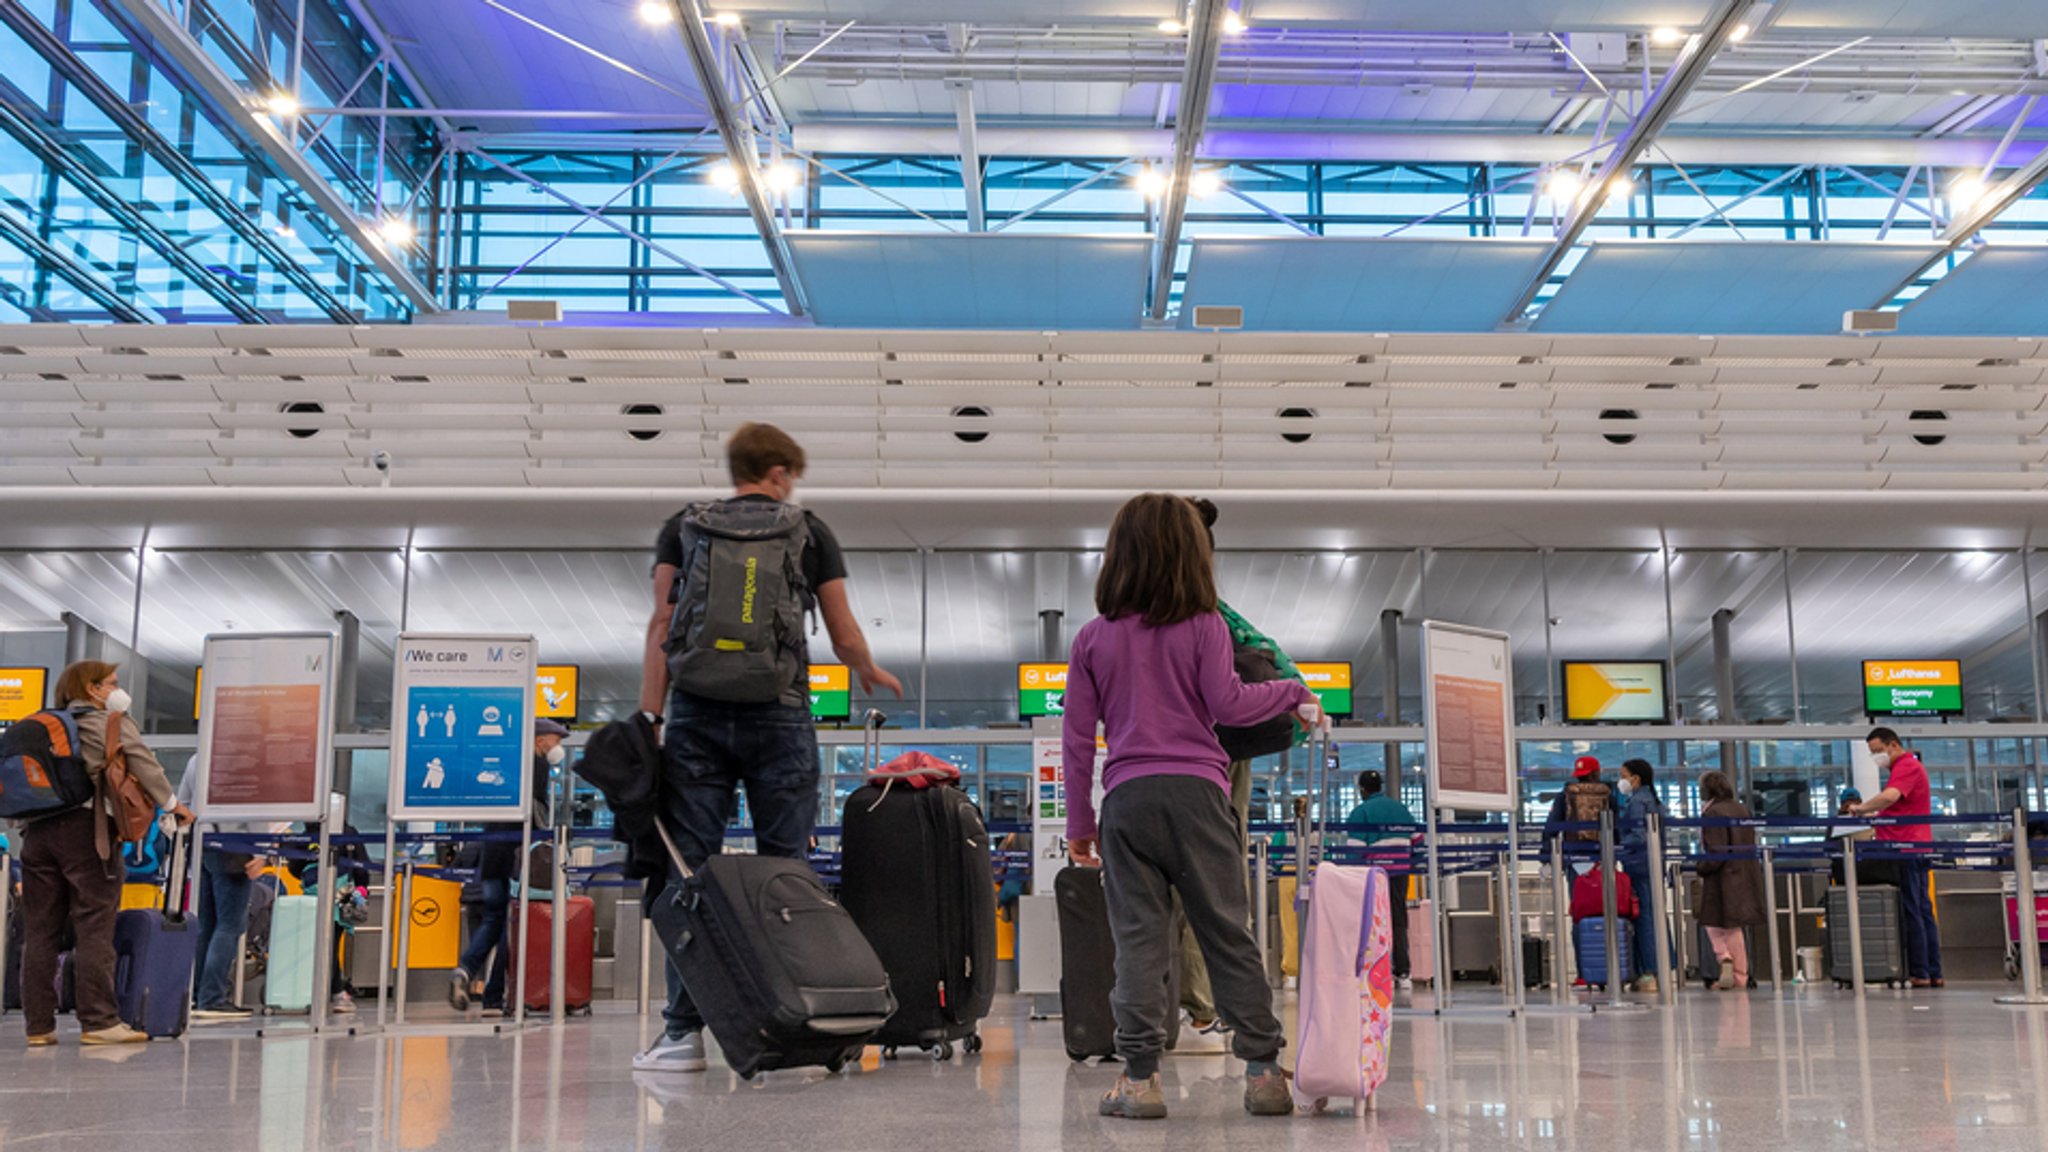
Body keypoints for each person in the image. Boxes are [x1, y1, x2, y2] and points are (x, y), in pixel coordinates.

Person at [634, 422, 902, 1074]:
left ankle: (681, 1036)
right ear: (779, 471)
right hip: (780, 714)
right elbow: (840, 629)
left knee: (690, 876)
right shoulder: (809, 530)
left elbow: (664, 623)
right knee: (788, 871)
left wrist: (650, 715)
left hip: (696, 714)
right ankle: (799, 1023)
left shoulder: (683, 527)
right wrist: (866, 667)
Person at [1062, 493, 1320, 1121]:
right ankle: (1262, 1073)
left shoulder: (1093, 638)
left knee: (1139, 942)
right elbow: (1230, 707)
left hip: (1127, 802)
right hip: (1200, 798)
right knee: (1227, 933)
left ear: (1116, 556)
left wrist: (1080, 824)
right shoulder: (1205, 626)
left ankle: (1141, 1080)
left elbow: (1076, 738)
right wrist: (1292, 690)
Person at [19, 661, 190, 1047]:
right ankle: (99, 1022)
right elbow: (145, 765)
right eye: (112, 682)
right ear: (92, 688)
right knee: (95, 925)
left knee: (41, 932)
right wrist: (173, 803)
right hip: (86, 833)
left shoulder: (38, 724)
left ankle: (39, 1027)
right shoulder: (106, 721)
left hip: (36, 835)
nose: (118, 689)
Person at [1175, 497, 1297, 1035]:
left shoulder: (1133, 614)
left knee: (1165, 894)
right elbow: (1268, 659)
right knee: (1217, 887)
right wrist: (1295, 694)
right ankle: (1217, 1013)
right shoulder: (1213, 613)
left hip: (1163, 766)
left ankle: (1181, 1009)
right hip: (1217, 761)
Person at [451, 717, 566, 1014]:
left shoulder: (505, 765)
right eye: (557, 740)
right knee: (513, 928)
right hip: (518, 860)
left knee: (493, 920)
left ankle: (466, 970)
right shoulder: (537, 765)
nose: (558, 747)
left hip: (492, 859)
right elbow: (537, 811)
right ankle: (494, 995)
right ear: (541, 740)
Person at [1851, 728, 1943, 988]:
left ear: (1893, 746)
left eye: (1878, 752)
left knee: (1913, 909)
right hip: (1914, 845)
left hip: (1906, 848)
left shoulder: (1906, 766)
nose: (1876, 758)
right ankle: (1931, 970)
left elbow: (1890, 796)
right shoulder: (1907, 767)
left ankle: (1920, 971)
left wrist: (1862, 809)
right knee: (1922, 909)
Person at [180, 768, 262, 1022]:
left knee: (206, 925)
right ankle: (212, 998)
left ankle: (196, 995)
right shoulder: (243, 759)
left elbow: (183, 803)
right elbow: (255, 808)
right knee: (229, 926)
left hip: (202, 847)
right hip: (233, 846)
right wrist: (260, 851)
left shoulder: (197, 758)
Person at [1696, 771, 1765, 991]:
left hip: (1721, 875)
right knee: (1734, 926)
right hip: (1744, 872)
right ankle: (1740, 976)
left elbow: (1716, 849)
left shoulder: (1712, 812)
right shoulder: (1741, 808)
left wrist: (1702, 866)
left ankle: (1724, 956)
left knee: (1711, 921)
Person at [1347, 770, 1416, 991]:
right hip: (1401, 871)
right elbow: (1417, 839)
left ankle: (1373, 969)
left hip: (1374, 875)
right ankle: (1403, 972)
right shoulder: (1401, 809)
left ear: (1362, 790)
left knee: (1371, 920)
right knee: (1398, 918)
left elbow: (1354, 851)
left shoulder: (1361, 812)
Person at [1616, 758, 1674, 992]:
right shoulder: (1654, 800)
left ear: (1635, 779)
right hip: (1653, 864)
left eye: (1623, 775)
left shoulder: (1638, 801)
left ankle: (1650, 972)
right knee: (1657, 916)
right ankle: (1664, 966)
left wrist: (1616, 847)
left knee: (1645, 919)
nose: (1621, 781)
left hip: (1639, 866)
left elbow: (1639, 835)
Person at [1543, 755, 1620, 859]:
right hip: (1603, 854)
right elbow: (1616, 829)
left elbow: (1551, 828)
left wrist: (1545, 856)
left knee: (1576, 875)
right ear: (1597, 773)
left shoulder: (1565, 796)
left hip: (1573, 853)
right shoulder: (1608, 797)